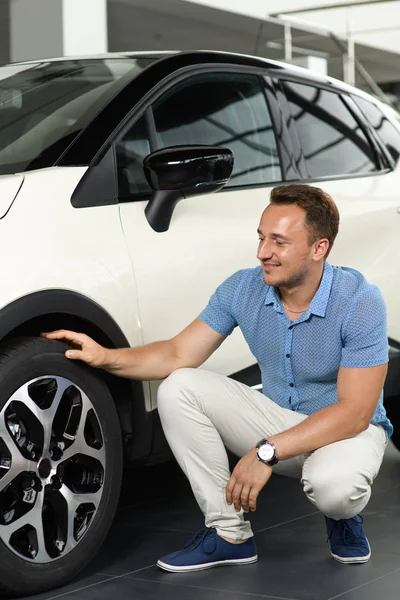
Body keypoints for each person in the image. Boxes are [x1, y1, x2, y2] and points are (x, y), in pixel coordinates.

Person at [42, 183, 391, 573]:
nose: (263, 253)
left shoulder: (360, 301)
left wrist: (266, 452)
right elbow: (177, 354)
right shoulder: (243, 287)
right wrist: (105, 356)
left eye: (279, 242)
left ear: (318, 248)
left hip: (346, 432)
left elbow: (356, 412)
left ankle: (343, 517)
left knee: (335, 490)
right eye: (261, 238)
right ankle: (229, 535)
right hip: (277, 422)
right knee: (179, 386)